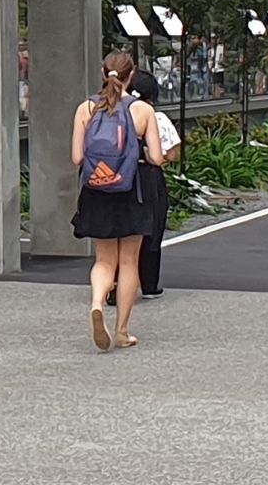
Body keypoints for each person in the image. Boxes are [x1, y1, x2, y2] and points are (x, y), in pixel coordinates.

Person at [71, 51, 164, 351]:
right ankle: (122, 331)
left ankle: (98, 302)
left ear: (103, 72)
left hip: (98, 191)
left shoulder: (86, 108)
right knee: (128, 262)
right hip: (131, 191)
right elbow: (158, 158)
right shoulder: (142, 111)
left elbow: (76, 158)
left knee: (104, 260)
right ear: (132, 75)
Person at [128, 69, 180, 299]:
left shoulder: (114, 113)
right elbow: (172, 154)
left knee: (124, 229)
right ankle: (149, 283)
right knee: (152, 227)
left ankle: (114, 283)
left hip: (120, 176)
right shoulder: (155, 117)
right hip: (149, 177)